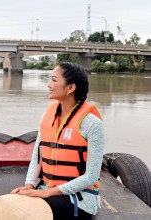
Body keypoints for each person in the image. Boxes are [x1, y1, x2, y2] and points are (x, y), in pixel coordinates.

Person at [10, 62, 104, 220]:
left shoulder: (92, 124)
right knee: (11, 201)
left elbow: (91, 176)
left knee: (27, 212)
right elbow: (37, 158)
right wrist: (29, 186)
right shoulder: (48, 116)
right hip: (47, 189)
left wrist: (46, 193)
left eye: (54, 80)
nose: (49, 85)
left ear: (70, 88)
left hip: (79, 198)